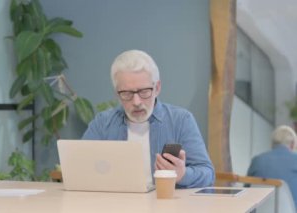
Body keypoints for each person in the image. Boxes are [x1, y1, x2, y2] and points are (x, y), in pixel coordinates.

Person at [82, 49, 215, 188]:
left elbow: (208, 174)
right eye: (127, 93)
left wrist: (182, 174)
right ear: (117, 93)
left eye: (144, 91)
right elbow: (80, 167)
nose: (136, 102)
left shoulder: (181, 120)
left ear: (157, 88)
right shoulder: (102, 123)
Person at [247, 125, 297, 207]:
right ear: (292, 144)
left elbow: (246, 191)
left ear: (272, 143)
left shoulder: (257, 160)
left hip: (260, 210)